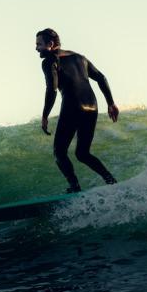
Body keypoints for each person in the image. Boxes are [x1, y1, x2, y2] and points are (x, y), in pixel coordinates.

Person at [35, 28, 119, 193]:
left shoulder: (49, 61)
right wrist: (111, 103)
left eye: (39, 44)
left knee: (59, 152)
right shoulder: (80, 58)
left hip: (72, 106)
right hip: (92, 107)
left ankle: (75, 187)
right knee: (82, 153)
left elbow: (51, 90)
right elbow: (101, 78)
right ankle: (111, 181)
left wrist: (44, 115)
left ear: (50, 45)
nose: (36, 48)